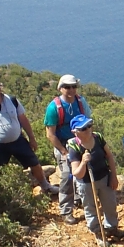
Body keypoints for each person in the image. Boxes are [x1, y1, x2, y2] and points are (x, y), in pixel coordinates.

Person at [0, 78, 55, 194]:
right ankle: (7, 194)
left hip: (18, 140)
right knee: (2, 169)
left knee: (34, 163)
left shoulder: (12, 101)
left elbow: (23, 119)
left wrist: (32, 138)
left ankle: (45, 186)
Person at [66, 115, 122, 246]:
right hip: (86, 183)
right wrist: (83, 162)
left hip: (104, 177)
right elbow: (77, 173)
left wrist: (113, 176)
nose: (88, 130)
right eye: (83, 128)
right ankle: (98, 233)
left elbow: (109, 156)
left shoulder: (98, 137)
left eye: (89, 126)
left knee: (110, 204)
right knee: (91, 208)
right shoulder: (74, 147)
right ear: (75, 132)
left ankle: (111, 229)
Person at [43, 74, 91, 224]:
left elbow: (88, 123)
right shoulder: (54, 108)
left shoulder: (81, 102)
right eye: (67, 87)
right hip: (63, 144)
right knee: (67, 176)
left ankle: (80, 199)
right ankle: (66, 210)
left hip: (80, 142)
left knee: (83, 172)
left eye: (73, 86)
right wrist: (64, 152)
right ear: (60, 88)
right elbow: (50, 134)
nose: (71, 90)